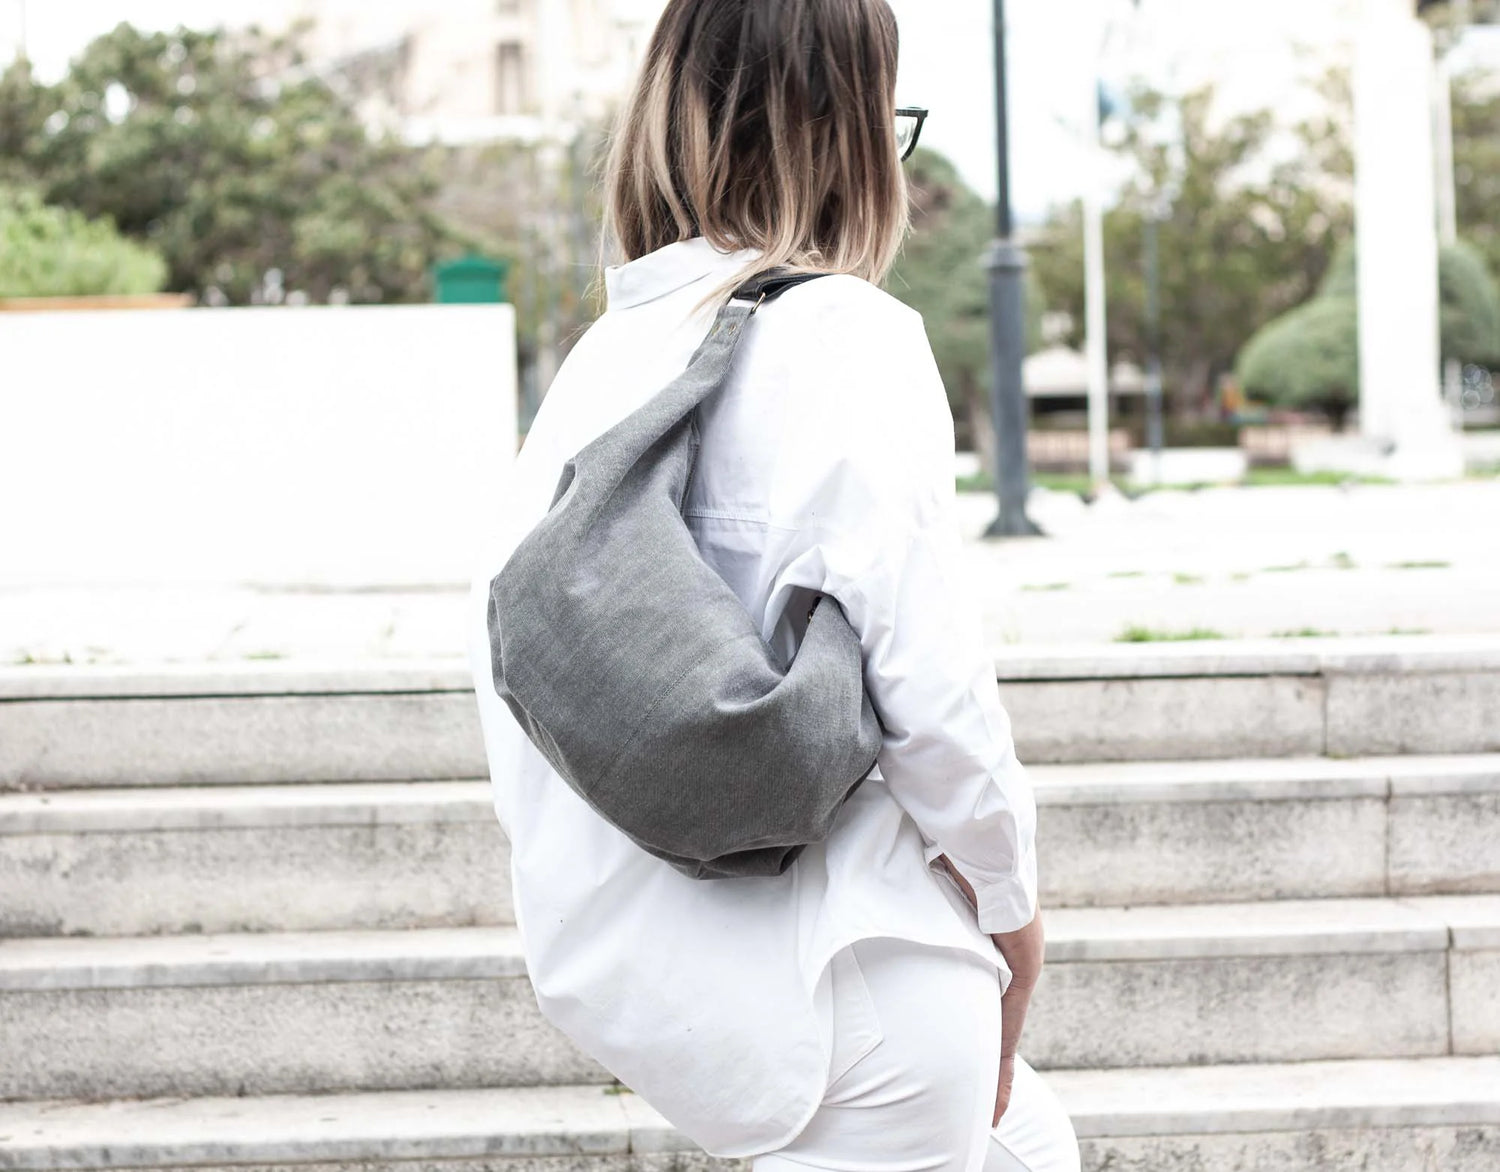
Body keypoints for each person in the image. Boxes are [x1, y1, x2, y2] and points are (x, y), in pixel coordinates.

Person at [466, 1, 1081, 1169]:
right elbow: (933, 694)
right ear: (842, 129)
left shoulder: (596, 366)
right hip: (855, 980)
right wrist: (1016, 911)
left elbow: (518, 674)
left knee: (1034, 1146)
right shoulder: (846, 332)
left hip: (668, 982)